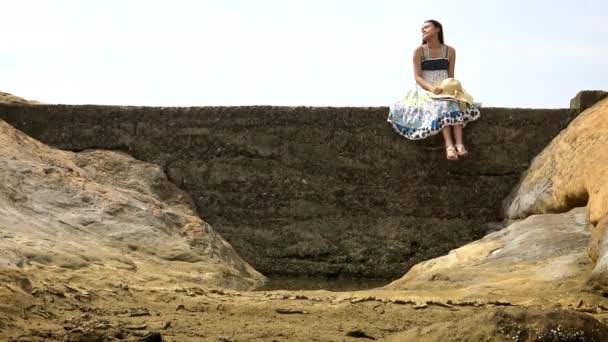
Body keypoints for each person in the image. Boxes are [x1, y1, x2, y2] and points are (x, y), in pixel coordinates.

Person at [387, 19, 481, 160]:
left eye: (426, 27)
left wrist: (450, 89)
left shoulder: (450, 51)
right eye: (422, 29)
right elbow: (418, 77)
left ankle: (459, 144)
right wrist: (431, 88)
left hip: (445, 86)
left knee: (454, 103)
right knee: (440, 105)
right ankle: (449, 146)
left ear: (437, 29)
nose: (423, 30)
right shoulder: (419, 51)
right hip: (425, 88)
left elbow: (451, 76)